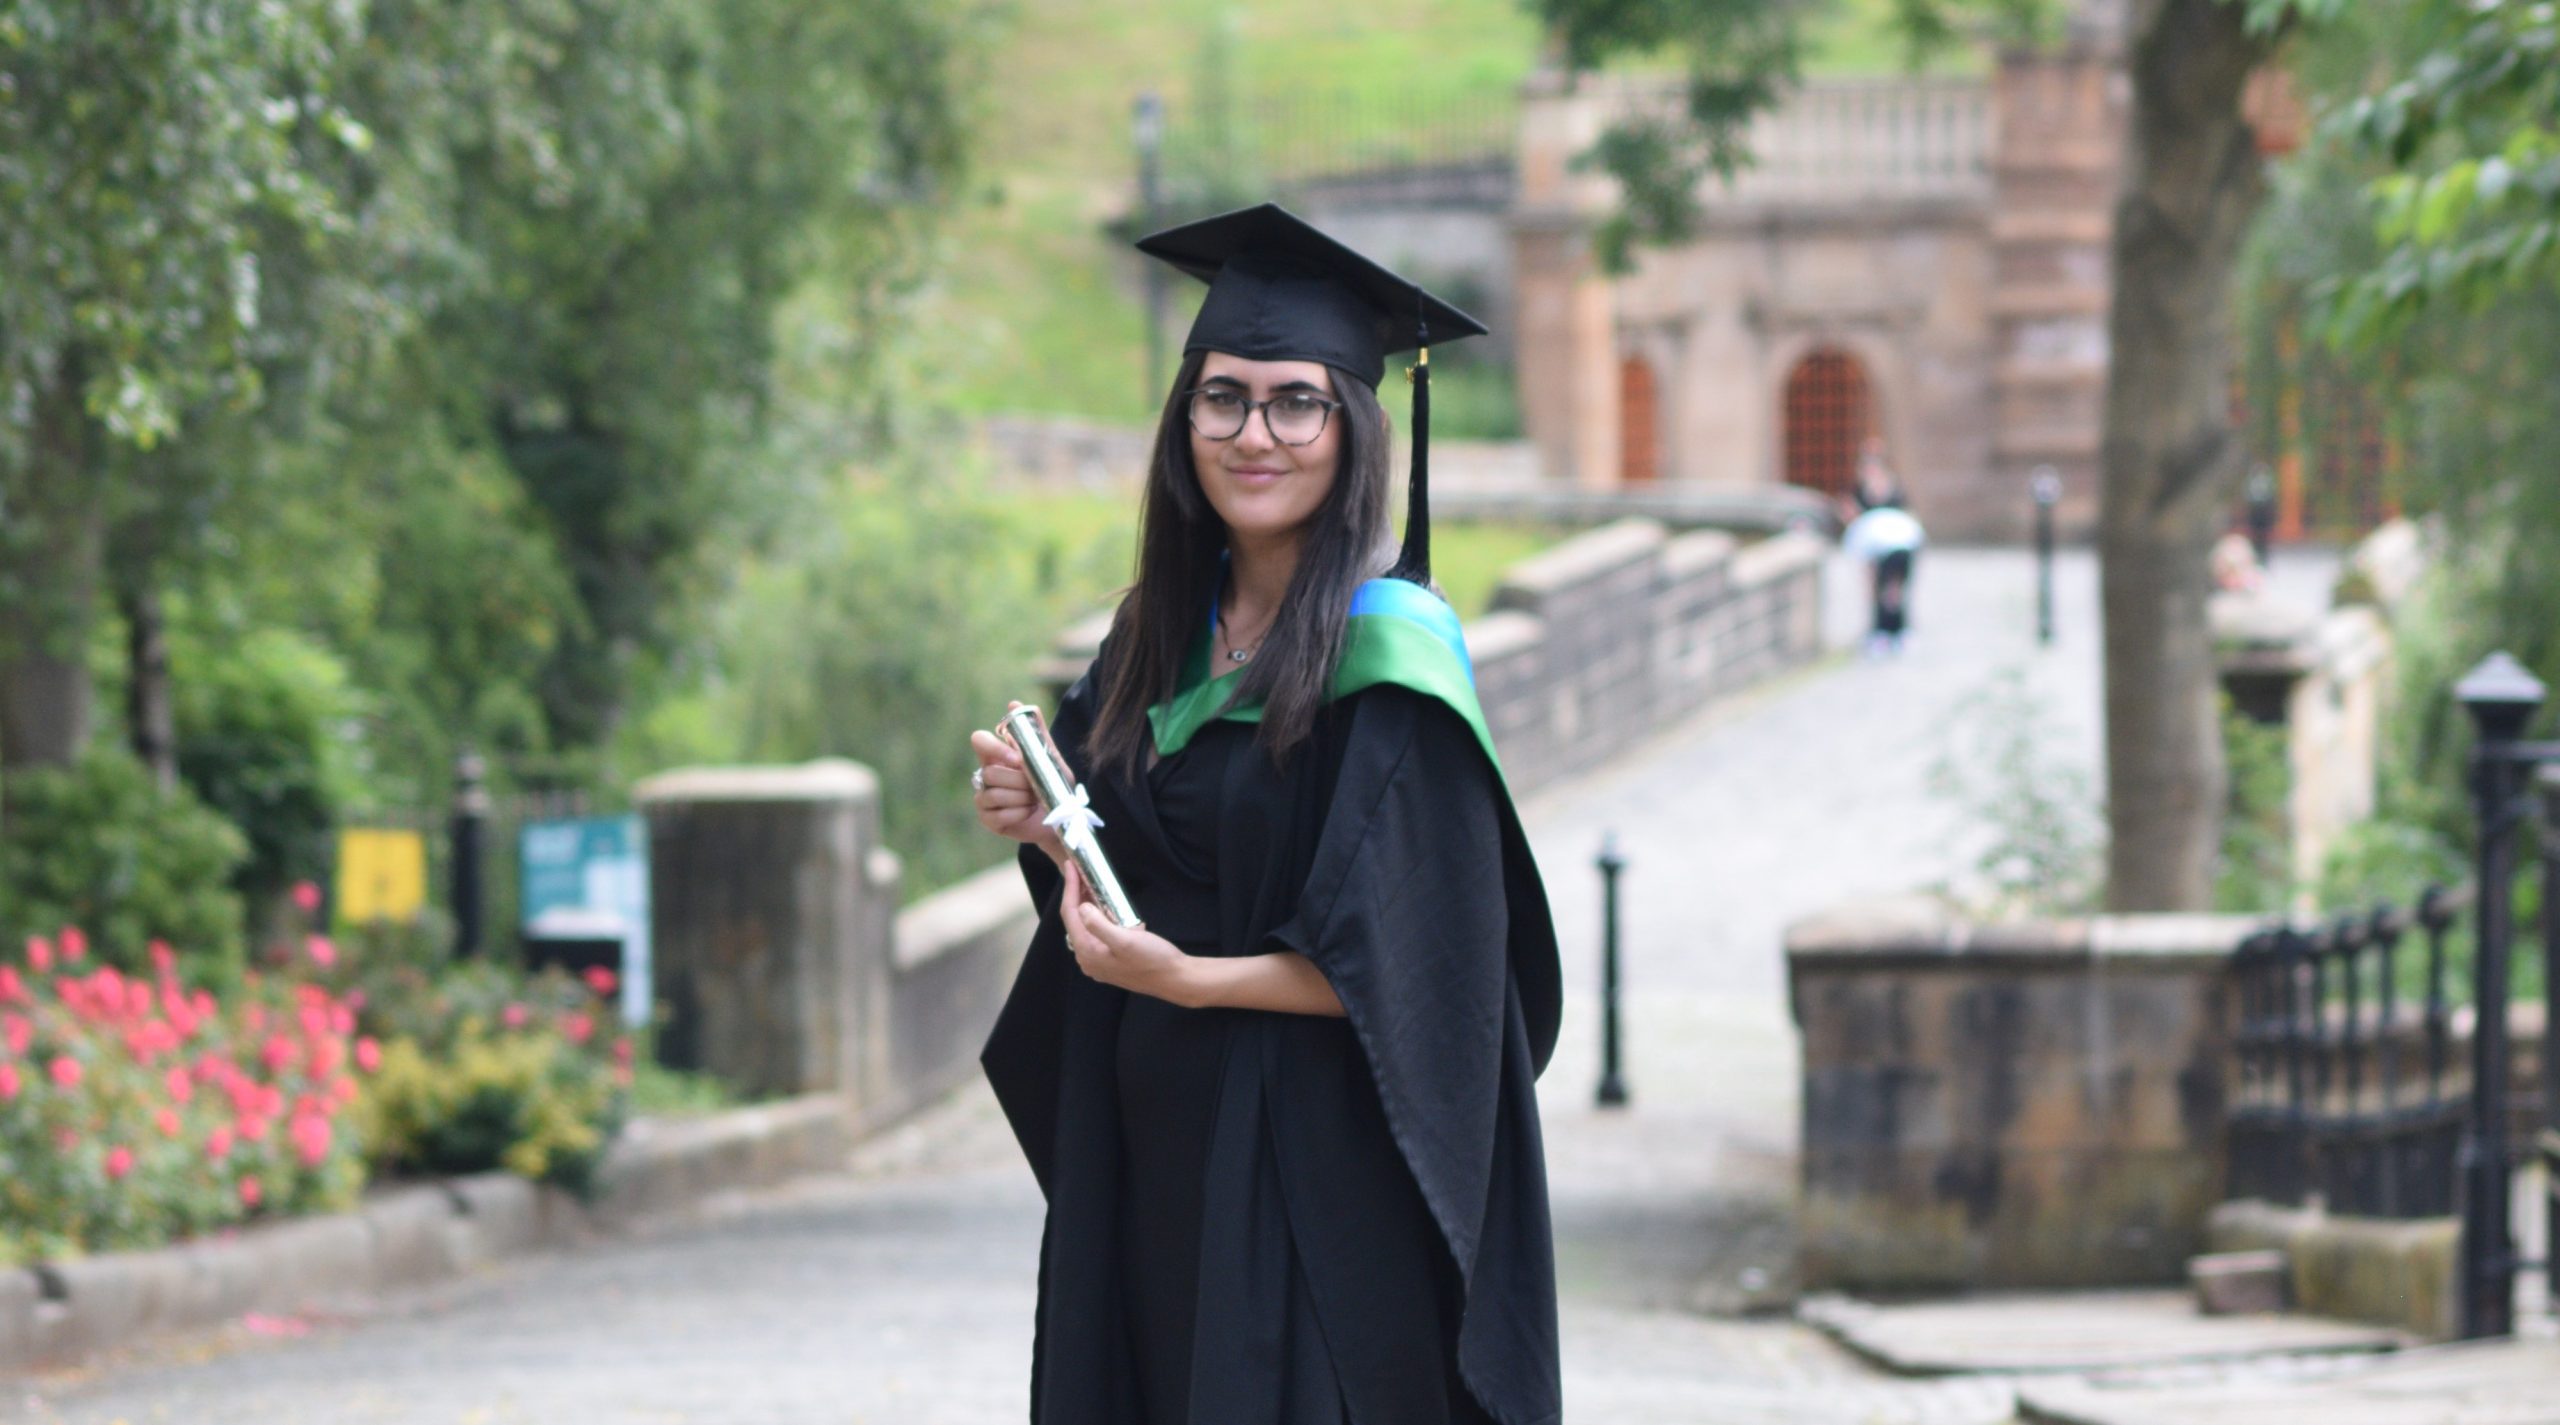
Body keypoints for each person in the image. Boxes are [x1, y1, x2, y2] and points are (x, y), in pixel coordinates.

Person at [968, 204, 1563, 1425]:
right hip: (1154, 1155)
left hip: (1316, 1169)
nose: (1255, 432)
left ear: (1355, 429)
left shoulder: (1390, 658)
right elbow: (1145, 870)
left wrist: (1192, 982)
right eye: (1221, 397)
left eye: (1297, 401)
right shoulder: (1151, 641)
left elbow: (1423, 969)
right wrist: (1048, 828)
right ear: (1181, 420)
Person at [1841, 492, 1924, 656]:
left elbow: (1867, 568)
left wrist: (1871, 590)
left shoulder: (1859, 527)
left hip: (1894, 551)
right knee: (1895, 594)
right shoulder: (1874, 519)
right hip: (1908, 545)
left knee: (1887, 595)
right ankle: (1898, 634)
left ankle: (1885, 634)